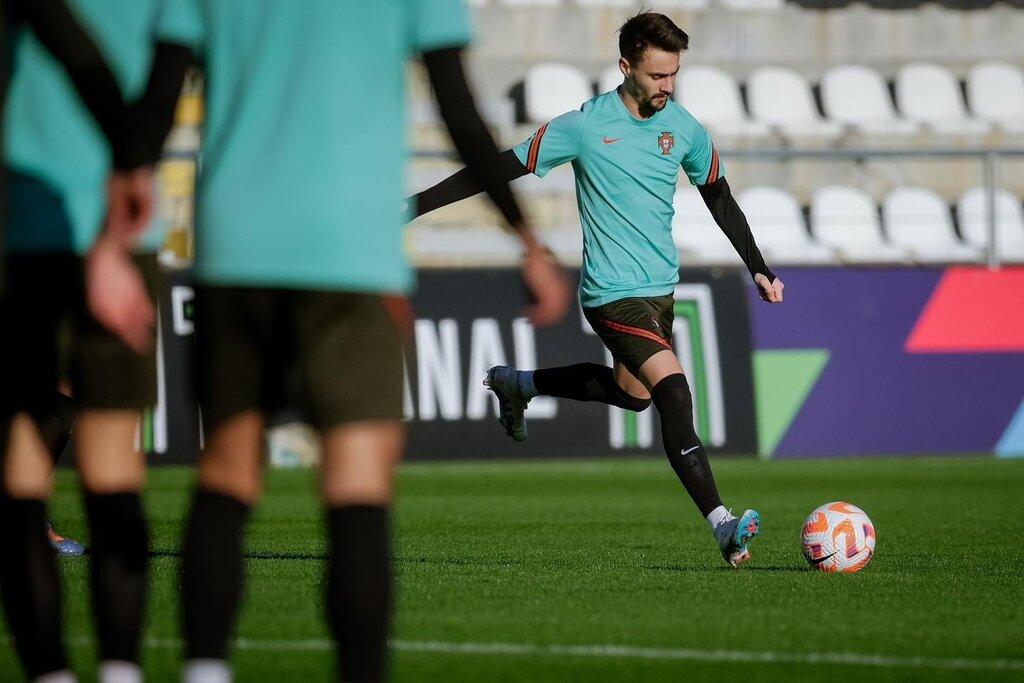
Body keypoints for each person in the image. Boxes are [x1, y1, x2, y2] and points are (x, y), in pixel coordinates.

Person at [160, 2, 570, 682]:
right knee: (356, 487)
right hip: (351, 255)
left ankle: (204, 670)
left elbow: (162, 81)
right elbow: (457, 108)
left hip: (236, 249)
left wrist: (126, 186)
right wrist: (524, 236)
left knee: (227, 473)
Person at [411, 11, 785, 569]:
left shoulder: (682, 127)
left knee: (634, 396)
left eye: (674, 74)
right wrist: (415, 205)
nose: (667, 86)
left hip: (660, 294)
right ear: (626, 66)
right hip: (610, 294)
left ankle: (520, 384)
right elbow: (494, 168)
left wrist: (757, 265)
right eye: (657, 76)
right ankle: (723, 524)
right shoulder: (584, 126)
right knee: (674, 392)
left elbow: (719, 194)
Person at [0, 1, 191, 681]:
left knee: (20, 471)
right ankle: (119, 669)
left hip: (25, 232)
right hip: (113, 224)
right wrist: (131, 164)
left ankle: (49, 670)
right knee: (113, 468)